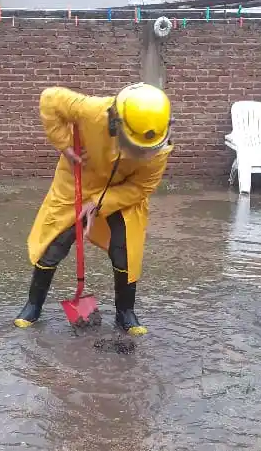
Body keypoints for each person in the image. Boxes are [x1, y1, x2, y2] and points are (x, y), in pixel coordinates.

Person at [12, 82, 174, 336]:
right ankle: (33, 305)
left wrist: (99, 202)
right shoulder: (92, 110)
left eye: (145, 150)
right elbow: (50, 99)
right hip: (77, 182)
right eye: (134, 146)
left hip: (121, 195)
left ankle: (125, 313)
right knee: (54, 242)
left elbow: (141, 187)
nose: (141, 154)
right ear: (114, 124)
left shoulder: (158, 148)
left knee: (125, 249)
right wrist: (65, 145)